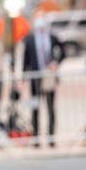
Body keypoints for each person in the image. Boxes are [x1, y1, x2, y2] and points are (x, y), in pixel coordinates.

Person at [23, 16, 65, 147]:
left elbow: (63, 51)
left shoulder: (52, 37)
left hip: (49, 77)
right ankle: (36, 138)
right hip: (35, 77)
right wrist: (23, 79)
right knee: (35, 108)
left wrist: (56, 63)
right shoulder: (29, 40)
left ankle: (51, 138)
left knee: (50, 107)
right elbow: (26, 60)